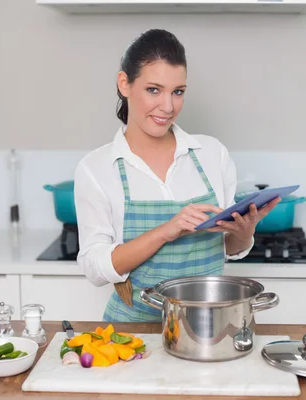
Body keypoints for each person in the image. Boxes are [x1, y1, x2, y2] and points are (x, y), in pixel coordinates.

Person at [74, 29, 281, 322]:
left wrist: (244, 229)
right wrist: (165, 232)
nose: (168, 107)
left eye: (178, 92)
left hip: (209, 326)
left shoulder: (212, 154)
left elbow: (229, 249)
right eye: (153, 90)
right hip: (132, 329)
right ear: (125, 84)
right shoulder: (96, 168)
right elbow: (95, 269)